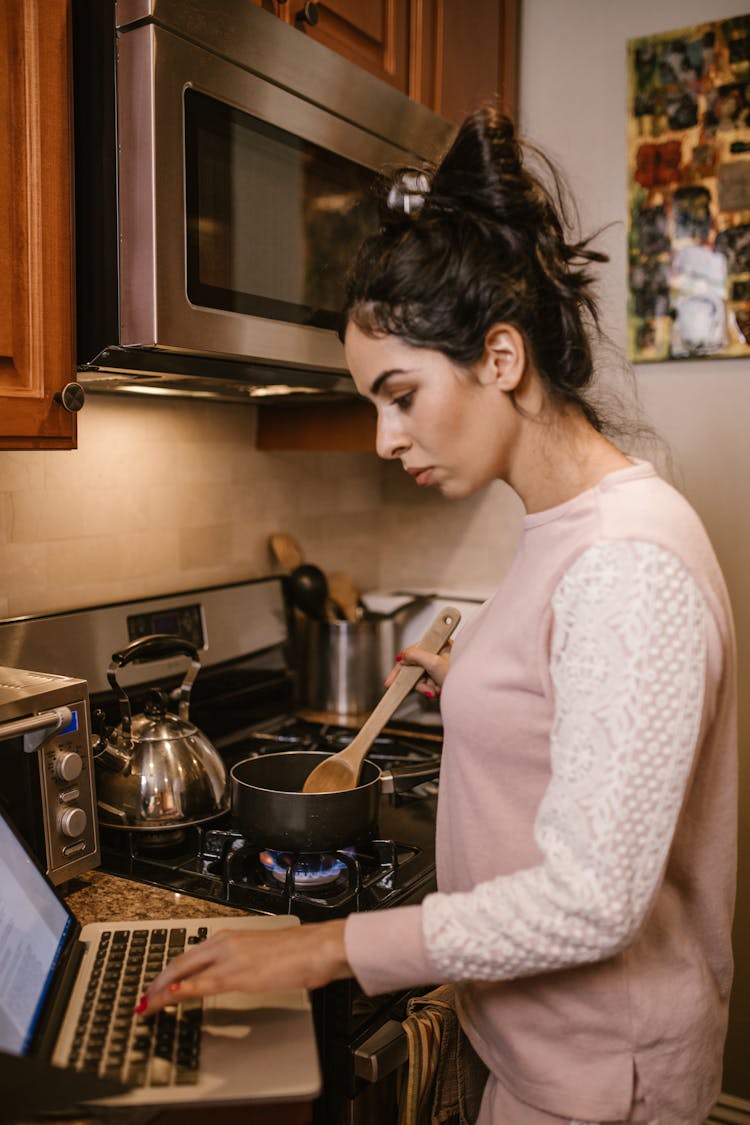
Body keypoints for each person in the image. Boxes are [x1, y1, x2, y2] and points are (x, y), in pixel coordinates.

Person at [141, 106, 737, 1125]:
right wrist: (489, 688)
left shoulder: (628, 560)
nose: (383, 436)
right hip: (552, 1056)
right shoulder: (571, 525)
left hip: (602, 1085)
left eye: (401, 394)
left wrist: (326, 945)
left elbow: (594, 899)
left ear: (500, 359)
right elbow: (585, 701)